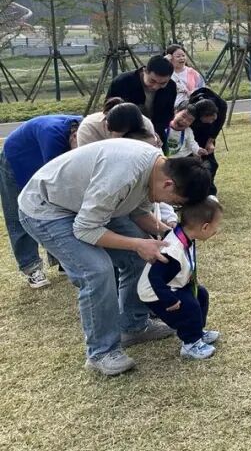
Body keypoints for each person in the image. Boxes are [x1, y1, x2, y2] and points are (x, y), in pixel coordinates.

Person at [18, 141, 212, 375]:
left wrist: (167, 231)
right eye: (174, 202)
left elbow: (138, 211)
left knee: (147, 256)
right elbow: (85, 229)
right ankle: (101, 352)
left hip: (88, 206)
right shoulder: (121, 177)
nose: (167, 205)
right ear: (169, 184)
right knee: (96, 271)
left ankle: (133, 326)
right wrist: (138, 244)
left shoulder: (157, 168)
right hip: (48, 209)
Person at [138, 196, 224, 361]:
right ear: (205, 227)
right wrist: (169, 300)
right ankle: (190, 345)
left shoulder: (184, 235)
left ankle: (197, 333)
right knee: (189, 305)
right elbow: (154, 276)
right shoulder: (173, 250)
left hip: (172, 284)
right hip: (155, 292)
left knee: (200, 294)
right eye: (216, 226)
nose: (216, 230)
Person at [1, 114, 81, 288]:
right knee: (18, 213)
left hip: (41, 156)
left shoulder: (88, 128)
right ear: (74, 136)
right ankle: (31, 267)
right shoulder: (51, 134)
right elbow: (54, 180)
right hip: (15, 159)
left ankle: (63, 260)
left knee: (60, 210)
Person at [106, 55, 178, 142]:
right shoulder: (122, 82)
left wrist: (153, 133)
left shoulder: (171, 87)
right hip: (123, 134)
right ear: (145, 71)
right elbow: (110, 110)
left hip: (155, 134)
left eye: (162, 83)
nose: (155, 86)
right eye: (152, 81)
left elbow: (167, 115)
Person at [188, 86, 226, 195]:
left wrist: (211, 141)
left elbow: (218, 124)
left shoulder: (221, 105)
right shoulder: (190, 112)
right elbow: (188, 134)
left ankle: (209, 191)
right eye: (207, 121)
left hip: (208, 134)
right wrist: (195, 150)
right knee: (193, 164)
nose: (211, 122)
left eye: (213, 119)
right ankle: (193, 192)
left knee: (211, 164)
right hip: (193, 135)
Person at [77, 97, 157, 147]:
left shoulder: (145, 124)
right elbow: (88, 161)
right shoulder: (89, 127)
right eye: (122, 136)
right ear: (108, 126)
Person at [165, 44, 205, 108]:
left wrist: (193, 92)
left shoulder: (192, 73)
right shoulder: (165, 73)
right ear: (170, 58)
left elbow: (202, 88)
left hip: (191, 107)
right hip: (169, 107)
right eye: (178, 56)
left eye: (183, 55)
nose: (182, 58)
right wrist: (164, 60)